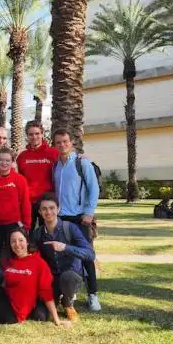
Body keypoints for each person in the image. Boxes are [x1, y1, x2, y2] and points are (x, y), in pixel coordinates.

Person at [52, 129, 101, 312]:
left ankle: (93, 295)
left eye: (65, 141)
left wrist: (89, 212)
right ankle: (67, 293)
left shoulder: (82, 163)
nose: (62, 145)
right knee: (63, 256)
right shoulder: (55, 166)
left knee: (86, 256)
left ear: (71, 142)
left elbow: (93, 188)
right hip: (61, 218)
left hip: (80, 218)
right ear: (55, 144)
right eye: (58, 142)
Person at [32, 193, 95, 322]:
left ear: (58, 209)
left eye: (52, 208)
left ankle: (68, 304)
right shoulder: (37, 233)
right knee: (40, 316)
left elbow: (90, 254)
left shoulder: (70, 228)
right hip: (51, 280)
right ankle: (55, 300)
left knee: (68, 277)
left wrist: (66, 247)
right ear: (39, 212)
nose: (48, 212)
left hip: (71, 277)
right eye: (44, 209)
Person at [0, 147, 31, 267]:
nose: (4, 163)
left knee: (14, 256)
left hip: (13, 225)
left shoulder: (20, 180)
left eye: (8, 160)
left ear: (12, 162)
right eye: (1, 160)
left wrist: (26, 224)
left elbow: (25, 203)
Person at [16, 120, 59, 230]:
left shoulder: (53, 153)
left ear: (42, 134)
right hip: (28, 202)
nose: (34, 137)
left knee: (47, 233)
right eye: (31, 134)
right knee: (26, 232)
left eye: (37, 133)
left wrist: (80, 157)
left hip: (47, 202)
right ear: (27, 136)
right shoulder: (22, 157)